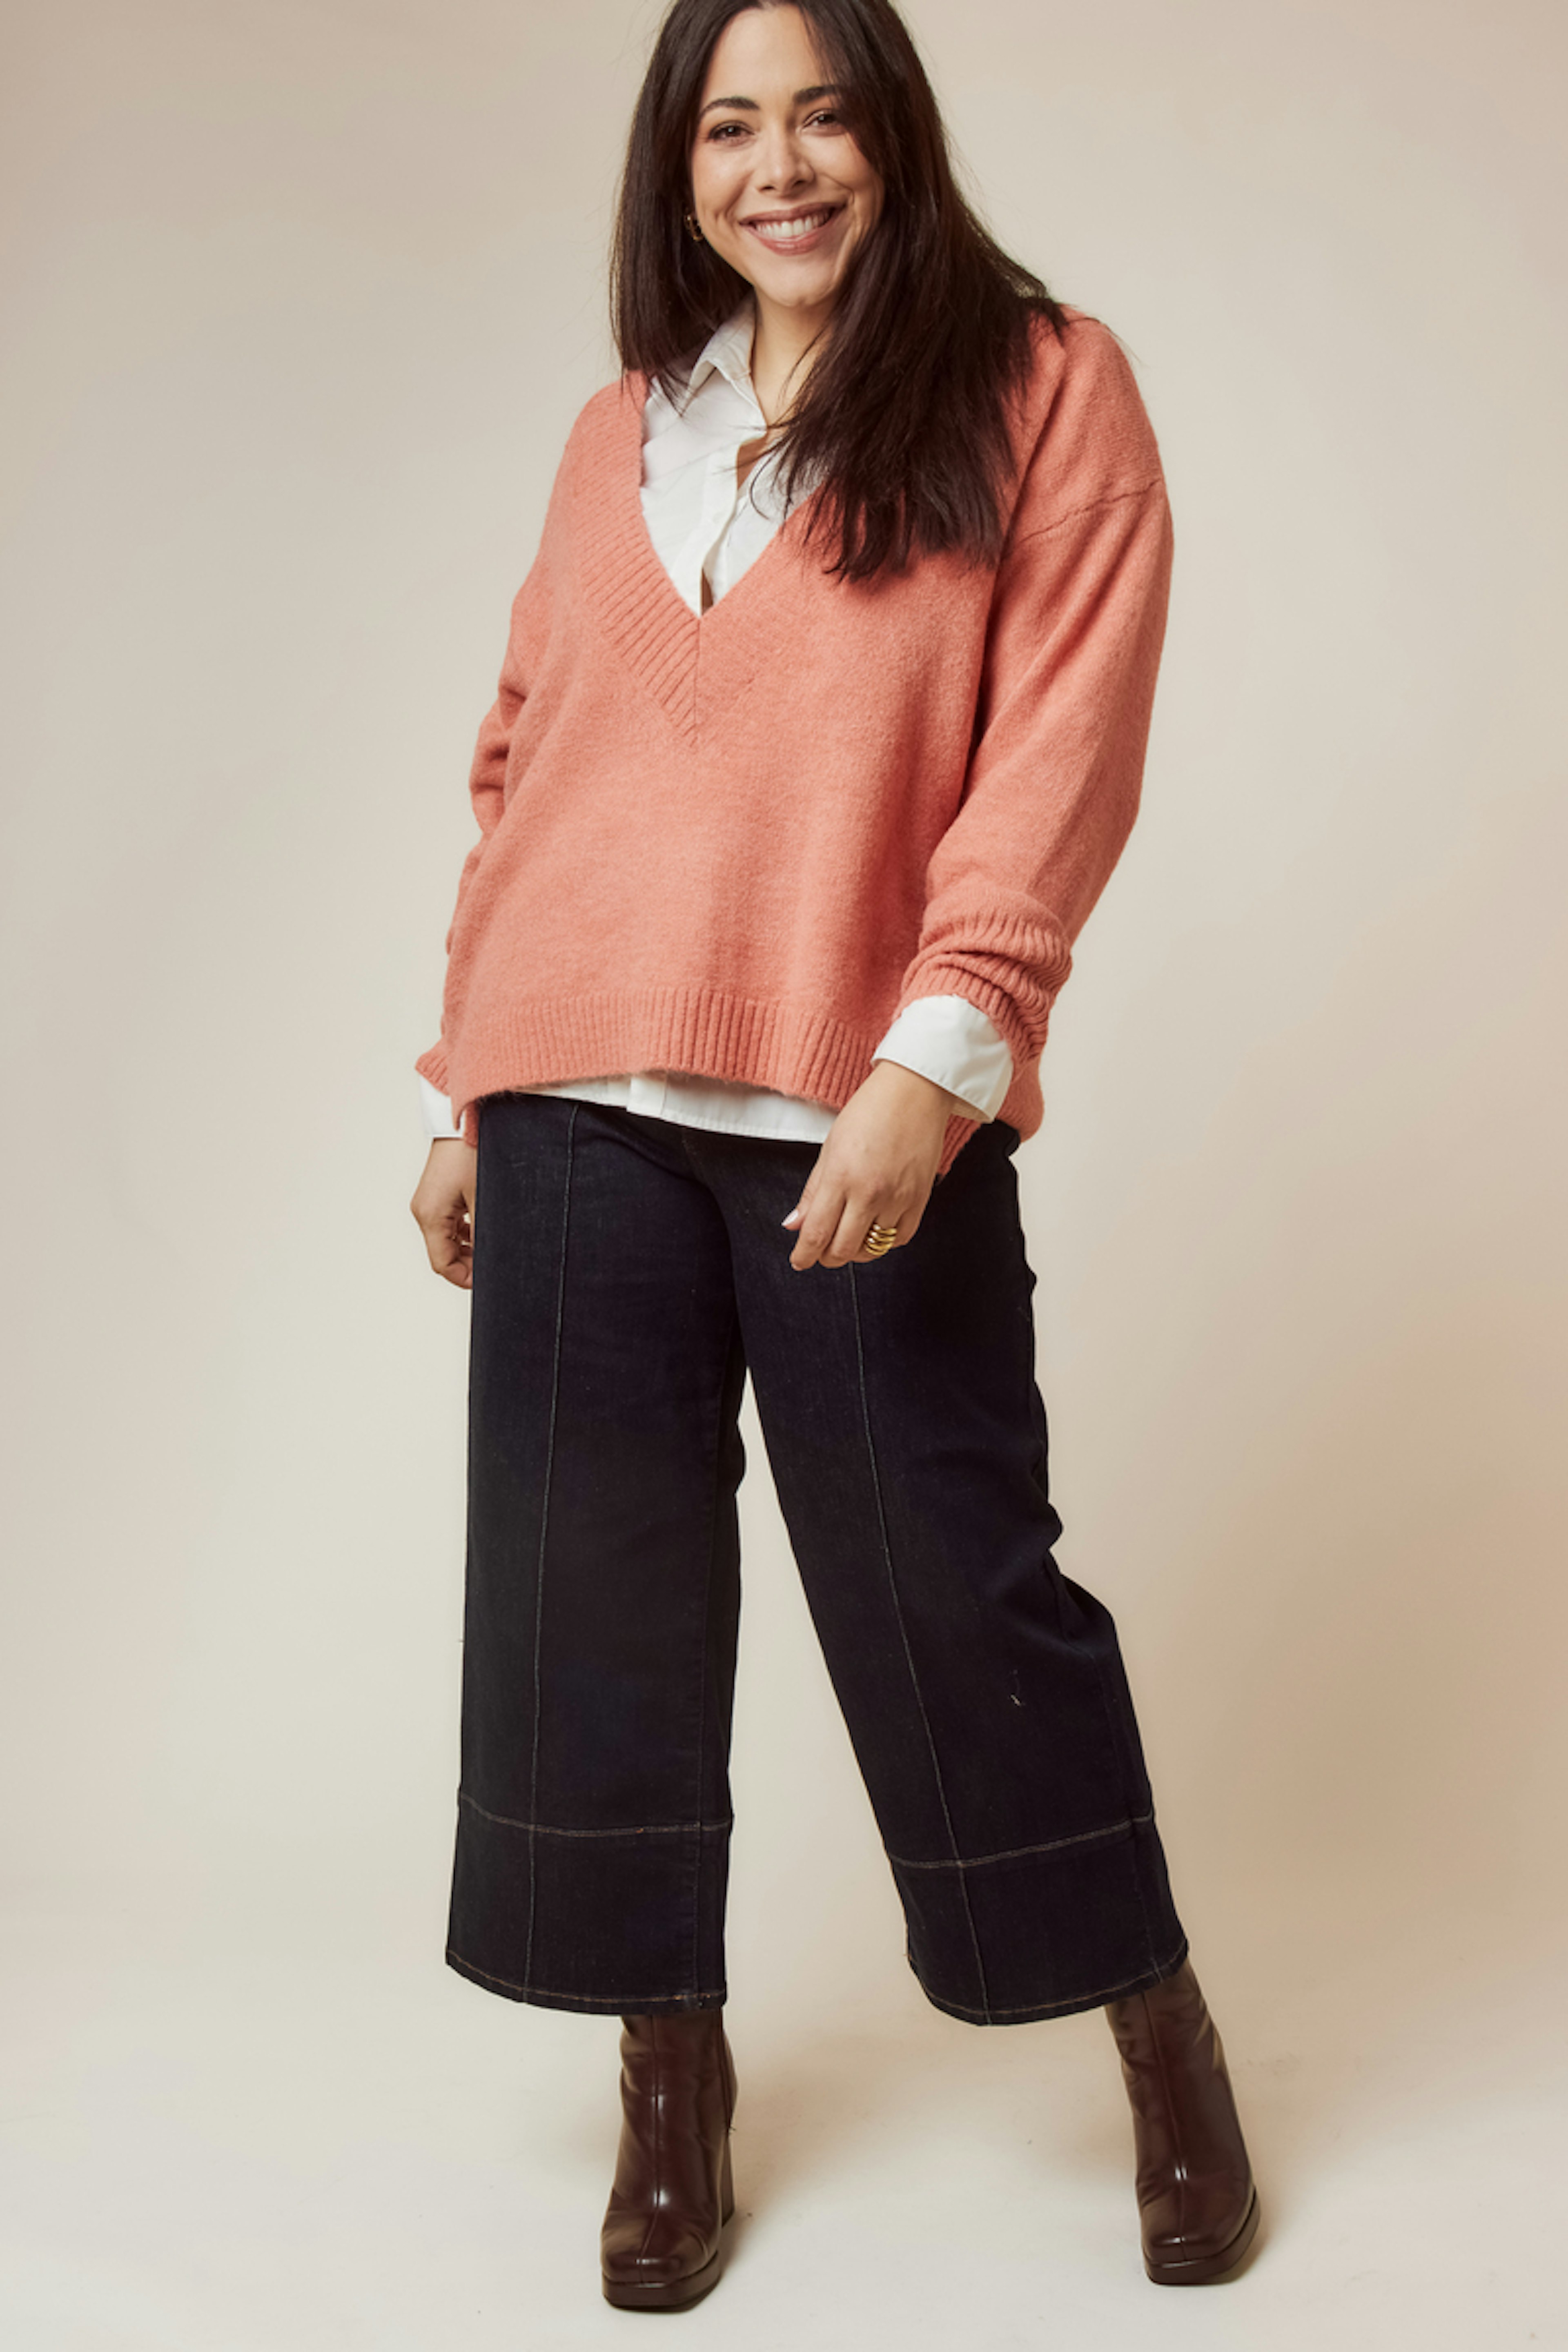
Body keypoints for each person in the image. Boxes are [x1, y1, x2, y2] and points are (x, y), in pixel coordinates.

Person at [409, 0, 1259, 2311]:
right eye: (728, 127)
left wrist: (942, 1056)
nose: (777, 167)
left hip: (858, 1094)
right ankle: (666, 2078)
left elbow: (1064, 740)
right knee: (593, 1596)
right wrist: (468, 1082)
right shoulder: (621, 428)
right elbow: (525, 762)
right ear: (676, 167)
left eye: (820, 117)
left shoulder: (1041, 386)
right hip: (568, 1099)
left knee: (949, 1579)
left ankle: (1156, 2026)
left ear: (895, 135)